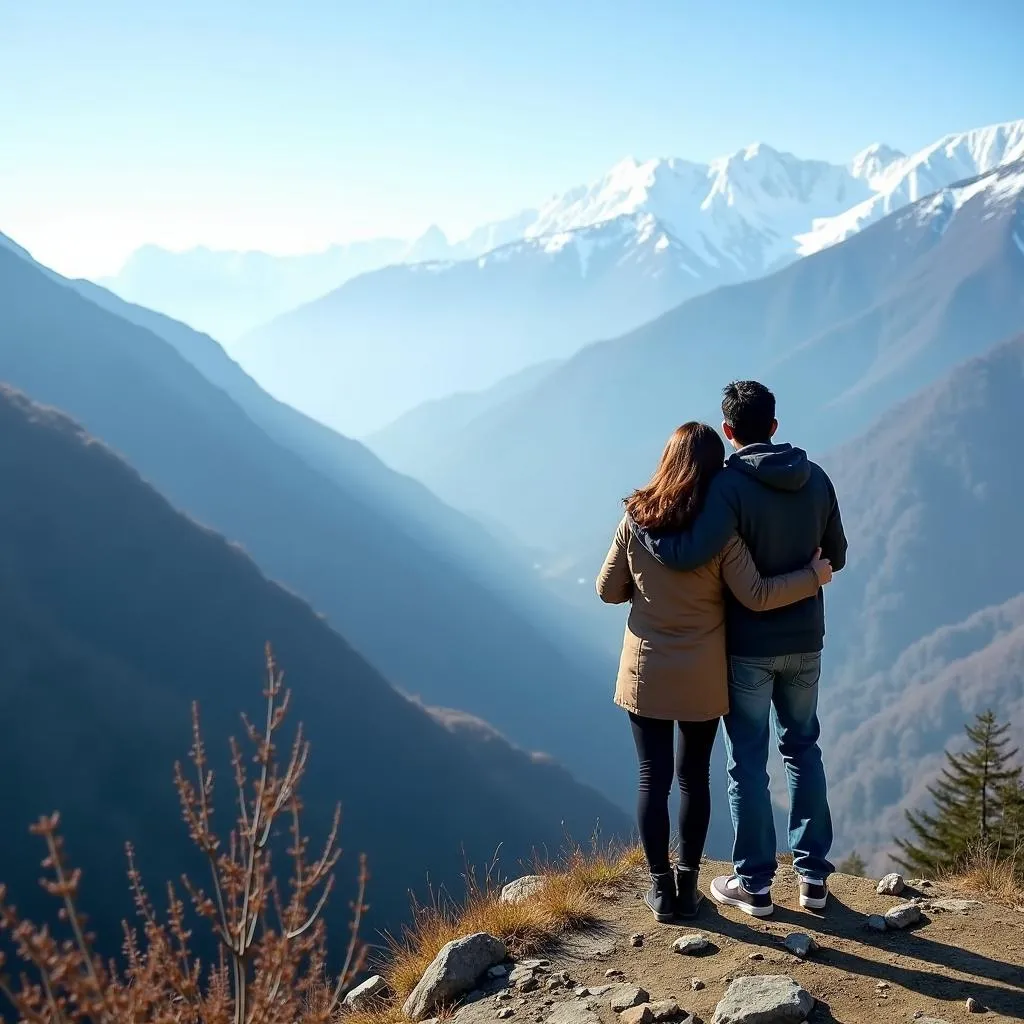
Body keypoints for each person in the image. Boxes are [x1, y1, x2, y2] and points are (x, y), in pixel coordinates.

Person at [597, 421, 833, 923]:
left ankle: (660, 892)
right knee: (694, 779)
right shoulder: (721, 537)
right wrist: (813, 576)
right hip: (703, 674)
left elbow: (607, 589)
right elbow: (759, 595)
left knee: (650, 779)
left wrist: (644, 593)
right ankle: (688, 885)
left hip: (646, 673)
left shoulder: (633, 522)